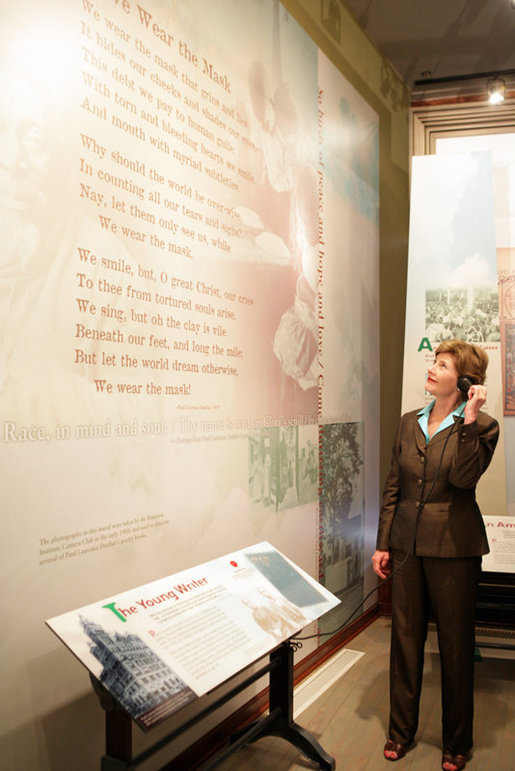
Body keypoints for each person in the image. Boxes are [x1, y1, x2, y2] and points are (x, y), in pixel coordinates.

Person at [372, 340, 499, 771]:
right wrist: (382, 542)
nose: (431, 368)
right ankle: (400, 731)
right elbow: (395, 486)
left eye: (442, 365)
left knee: (455, 645)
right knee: (404, 641)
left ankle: (456, 742)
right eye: (433, 361)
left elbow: (464, 480)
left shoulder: (483, 427)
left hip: (454, 549)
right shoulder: (409, 423)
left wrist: (469, 419)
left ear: (464, 381)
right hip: (406, 545)